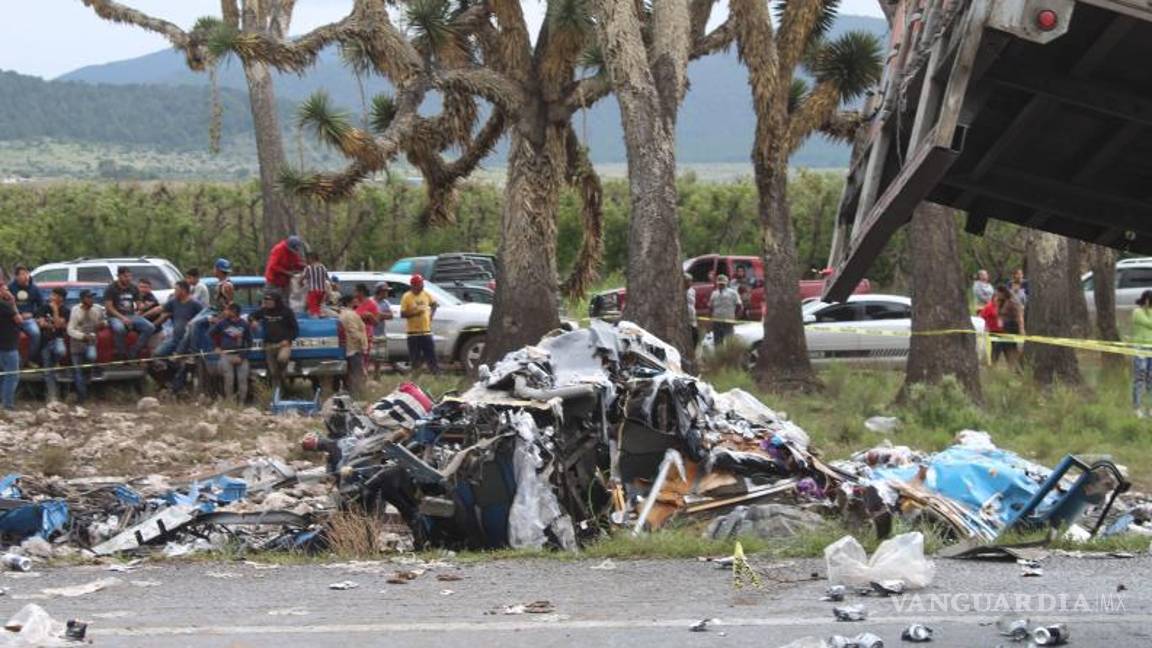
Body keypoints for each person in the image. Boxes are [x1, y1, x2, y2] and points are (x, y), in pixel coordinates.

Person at [148, 281, 205, 392]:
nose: (174, 292)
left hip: (188, 341)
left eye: (176, 289)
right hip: (174, 339)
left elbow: (204, 317)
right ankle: (169, 378)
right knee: (157, 355)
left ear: (183, 291)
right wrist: (142, 316)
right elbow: (159, 309)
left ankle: (178, 387)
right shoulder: (174, 302)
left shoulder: (195, 304)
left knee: (184, 364)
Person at [250, 291, 298, 393]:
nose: (267, 302)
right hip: (269, 345)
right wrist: (253, 321)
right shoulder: (263, 311)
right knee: (273, 372)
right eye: (265, 300)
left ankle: (283, 372)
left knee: (282, 359)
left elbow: (295, 329)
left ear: (276, 301)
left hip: (283, 344)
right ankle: (277, 393)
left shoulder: (287, 311)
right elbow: (251, 316)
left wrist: (288, 340)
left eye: (269, 300)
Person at [104, 266, 155, 360]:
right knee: (119, 329)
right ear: (119, 276)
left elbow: (139, 305)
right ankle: (122, 354)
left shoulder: (133, 288)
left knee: (150, 327)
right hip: (114, 316)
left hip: (130, 315)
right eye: (125, 276)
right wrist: (122, 318)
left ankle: (134, 352)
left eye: (130, 276)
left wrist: (145, 306)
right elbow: (109, 307)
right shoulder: (111, 288)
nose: (128, 279)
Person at [66, 289, 105, 404]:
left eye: (92, 297)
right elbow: (70, 329)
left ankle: (86, 387)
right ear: (82, 299)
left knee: (90, 360)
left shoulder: (97, 309)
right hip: (77, 344)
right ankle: (81, 397)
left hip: (91, 342)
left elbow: (104, 321)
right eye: (88, 298)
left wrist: (103, 324)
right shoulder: (75, 310)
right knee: (78, 371)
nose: (91, 300)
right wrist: (82, 336)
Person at [209, 303, 252, 404]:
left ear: (234, 312)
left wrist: (242, 357)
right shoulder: (222, 323)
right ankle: (230, 402)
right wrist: (216, 346)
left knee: (243, 380)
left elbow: (249, 342)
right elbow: (211, 333)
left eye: (228, 310)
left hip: (240, 355)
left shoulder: (244, 324)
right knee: (229, 380)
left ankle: (241, 403)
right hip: (226, 355)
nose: (226, 312)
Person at [36, 287, 71, 402]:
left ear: (60, 298)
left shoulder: (65, 310)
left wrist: (55, 310)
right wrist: (53, 325)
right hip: (45, 341)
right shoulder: (44, 307)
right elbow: (41, 323)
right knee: (48, 371)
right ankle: (52, 395)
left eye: (54, 295)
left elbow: (59, 325)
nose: (51, 297)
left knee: (61, 351)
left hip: (58, 339)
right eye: (52, 294)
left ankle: (56, 363)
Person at [400, 274, 439, 374]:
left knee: (431, 355)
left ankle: (436, 374)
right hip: (413, 333)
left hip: (426, 331)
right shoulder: (406, 297)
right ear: (413, 285)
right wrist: (415, 313)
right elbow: (402, 314)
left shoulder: (425, 294)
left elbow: (434, 304)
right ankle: (416, 375)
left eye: (422, 284)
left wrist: (431, 315)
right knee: (415, 357)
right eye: (419, 284)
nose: (422, 286)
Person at [8, 265, 43, 364]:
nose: (26, 276)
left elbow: (41, 305)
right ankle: (16, 360)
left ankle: (29, 359)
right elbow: (5, 304)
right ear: (16, 276)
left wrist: (32, 314)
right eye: (22, 274)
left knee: (36, 333)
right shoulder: (10, 287)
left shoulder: (34, 288)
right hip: (13, 318)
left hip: (28, 319)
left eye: (27, 273)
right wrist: (15, 314)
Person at [338, 295, 369, 396]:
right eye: (354, 301)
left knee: (351, 373)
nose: (357, 302)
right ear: (349, 303)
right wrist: (362, 344)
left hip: (348, 347)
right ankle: (358, 394)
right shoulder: (350, 315)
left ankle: (351, 392)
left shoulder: (342, 313)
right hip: (354, 348)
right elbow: (353, 331)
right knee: (357, 373)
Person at [0, 282, 22, 410]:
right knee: (12, 376)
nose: (8, 292)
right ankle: (7, 404)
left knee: (3, 375)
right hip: (8, 346)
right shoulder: (5, 305)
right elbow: (19, 319)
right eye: (6, 289)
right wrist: (13, 302)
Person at [1131, 290, 1152, 417]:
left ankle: (1150, 408)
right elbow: (1149, 324)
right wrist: (1147, 308)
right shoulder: (1137, 312)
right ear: (1146, 300)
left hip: (1151, 349)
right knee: (1139, 379)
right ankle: (1137, 408)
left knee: (1151, 379)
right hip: (1140, 349)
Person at [996, 284, 1025, 369]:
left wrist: (1021, 328)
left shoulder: (1012, 302)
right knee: (1007, 347)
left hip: (1012, 326)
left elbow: (1019, 315)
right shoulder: (1001, 302)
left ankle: (1015, 365)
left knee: (1009, 346)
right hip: (1004, 327)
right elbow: (999, 314)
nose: (997, 295)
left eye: (999, 293)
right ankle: (1012, 366)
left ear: (1003, 293)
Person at [708, 274, 742, 347]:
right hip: (717, 320)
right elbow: (710, 306)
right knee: (718, 341)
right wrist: (711, 317)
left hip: (728, 320)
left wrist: (736, 316)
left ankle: (730, 353)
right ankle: (719, 353)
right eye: (719, 284)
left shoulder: (733, 293)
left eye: (723, 284)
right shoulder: (714, 293)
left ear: (726, 283)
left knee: (729, 340)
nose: (721, 285)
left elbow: (739, 305)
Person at [978, 288, 1005, 365]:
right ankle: (991, 362)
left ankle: (994, 361)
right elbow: (981, 317)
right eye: (996, 297)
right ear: (993, 297)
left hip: (1001, 330)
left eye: (999, 298)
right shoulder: (989, 306)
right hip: (991, 330)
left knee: (999, 346)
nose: (998, 299)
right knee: (992, 347)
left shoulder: (1002, 306)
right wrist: (985, 326)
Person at [302, 251, 330, 317]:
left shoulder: (309, 268)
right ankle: (321, 317)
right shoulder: (323, 267)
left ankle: (315, 320)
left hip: (313, 291)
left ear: (311, 258)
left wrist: (301, 284)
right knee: (318, 308)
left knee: (314, 311)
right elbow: (327, 278)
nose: (307, 260)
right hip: (322, 291)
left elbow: (302, 278)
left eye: (308, 259)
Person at [684, 273, 698, 349]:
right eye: (687, 281)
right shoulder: (681, 291)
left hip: (692, 318)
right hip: (685, 319)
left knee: (695, 336)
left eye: (690, 281)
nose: (689, 283)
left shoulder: (692, 291)